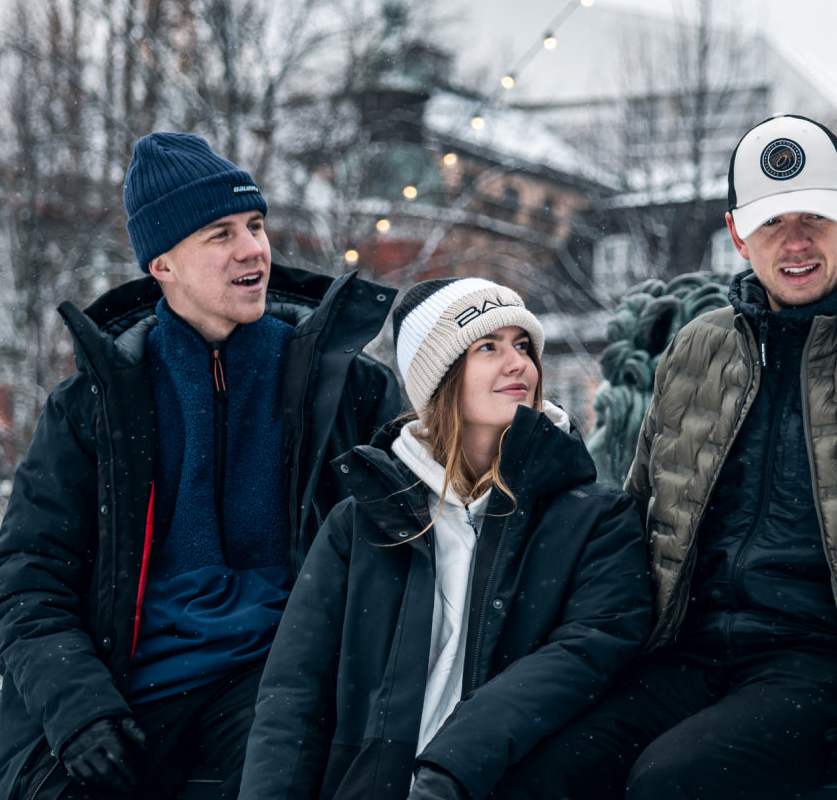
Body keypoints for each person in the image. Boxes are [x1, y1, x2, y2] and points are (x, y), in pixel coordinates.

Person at [520, 114, 837, 800]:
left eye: (814, 217)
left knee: (673, 783)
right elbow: (639, 521)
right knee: (544, 768)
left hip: (828, 662)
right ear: (736, 234)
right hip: (686, 651)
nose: (793, 242)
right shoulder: (699, 349)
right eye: (769, 223)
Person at [0, 132, 404, 800]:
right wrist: (80, 708)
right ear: (163, 265)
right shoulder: (93, 405)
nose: (252, 249)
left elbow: (413, 534)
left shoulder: (346, 389)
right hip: (125, 684)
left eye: (256, 225)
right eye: (220, 233)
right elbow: (28, 578)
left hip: (276, 681)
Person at [239, 278, 653, 800]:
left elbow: (586, 655)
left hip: (510, 782)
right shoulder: (361, 522)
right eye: (488, 346)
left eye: (522, 345)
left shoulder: (596, 517)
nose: (517, 363)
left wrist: (449, 770)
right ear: (441, 376)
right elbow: (294, 695)